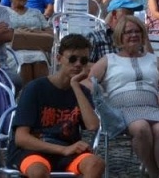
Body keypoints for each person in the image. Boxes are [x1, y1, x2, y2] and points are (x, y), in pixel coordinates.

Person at [90, 15, 159, 178]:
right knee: (141, 127)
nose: (134, 35)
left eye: (137, 31)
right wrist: (100, 99)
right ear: (119, 37)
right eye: (128, 32)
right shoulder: (109, 60)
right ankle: (153, 173)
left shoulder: (152, 59)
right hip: (122, 108)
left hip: (151, 106)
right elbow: (89, 82)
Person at [12, 32, 105, 178]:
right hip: (35, 150)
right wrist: (63, 150)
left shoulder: (82, 91)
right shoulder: (35, 88)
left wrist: (75, 85)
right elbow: (21, 138)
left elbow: (93, 126)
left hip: (69, 150)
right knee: (38, 172)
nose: (78, 64)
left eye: (84, 60)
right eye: (73, 59)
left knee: (95, 164)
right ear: (59, 58)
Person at [5, 0, 55, 85]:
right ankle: (26, 94)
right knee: (24, 60)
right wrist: (19, 33)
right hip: (14, 49)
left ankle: (41, 94)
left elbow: (50, 33)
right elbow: (3, 34)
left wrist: (32, 32)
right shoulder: (4, 13)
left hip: (36, 47)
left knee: (40, 59)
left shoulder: (36, 12)